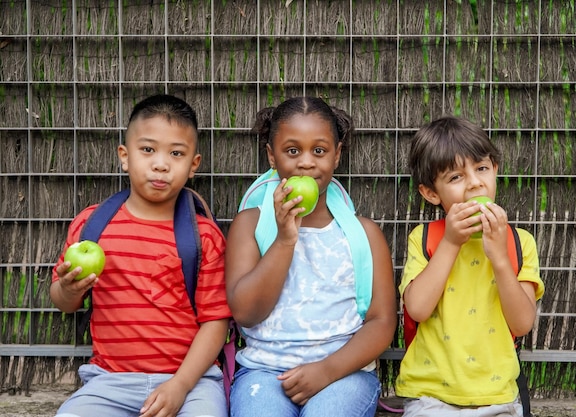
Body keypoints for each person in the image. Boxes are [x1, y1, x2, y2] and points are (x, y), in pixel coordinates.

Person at [51, 94, 231, 417]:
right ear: (125, 155)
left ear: (193, 165)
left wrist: (180, 385)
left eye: (176, 153)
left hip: (192, 383)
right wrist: (68, 289)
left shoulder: (203, 237)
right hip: (110, 381)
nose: (160, 164)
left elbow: (215, 323)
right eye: (147, 150)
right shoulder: (93, 226)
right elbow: (64, 302)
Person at [225, 96, 397, 417]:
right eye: (292, 151)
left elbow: (382, 321)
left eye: (319, 151)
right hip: (264, 373)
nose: (306, 162)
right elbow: (246, 313)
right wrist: (284, 241)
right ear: (271, 156)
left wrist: (326, 371)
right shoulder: (249, 225)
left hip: (344, 374)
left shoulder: (364, 234)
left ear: (337, 155)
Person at [395, 116, 545, 417]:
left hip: (498, 396)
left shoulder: (520, 242)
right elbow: (418, 309)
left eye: (482, 169)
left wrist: (500, 258)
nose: (475, 182)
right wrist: (450, 243)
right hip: (430, 397)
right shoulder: (424, 238)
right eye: (455, 177)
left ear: (495, 170)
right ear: (431, 193)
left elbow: (521, 324)